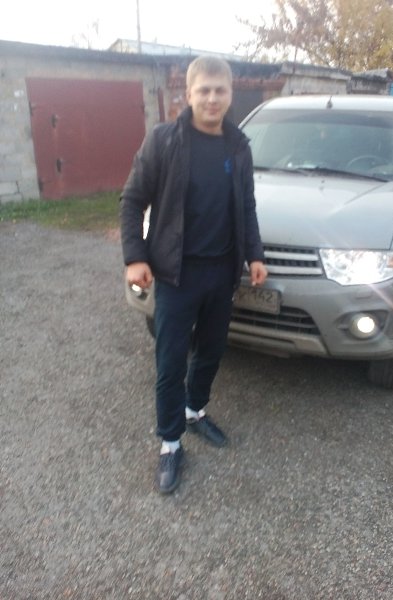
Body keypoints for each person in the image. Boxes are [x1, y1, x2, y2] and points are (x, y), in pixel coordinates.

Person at [120, 56, 267, 494]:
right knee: (170, 362)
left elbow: (246, 206)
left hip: (222, 274)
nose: (212, 98)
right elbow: (132, 200)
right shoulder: (164, 140)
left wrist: (254, 255)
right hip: (176, 276)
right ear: (188, 94)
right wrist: (135, 257)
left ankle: (194, 410)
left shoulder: (238, 146)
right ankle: (170, 443)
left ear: (230, 95)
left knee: (212, 350)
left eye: (220, 91)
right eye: (204, 90)